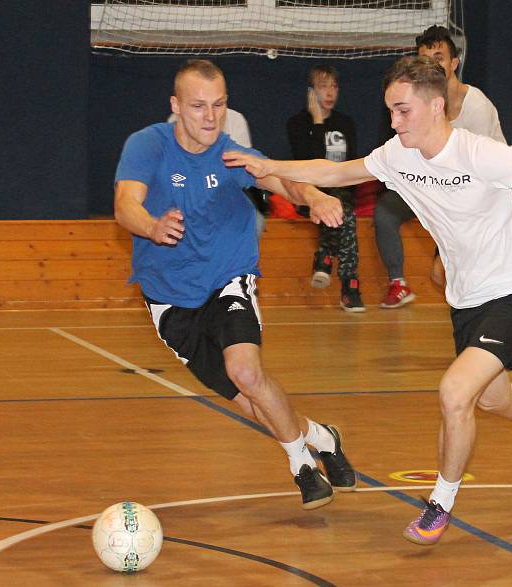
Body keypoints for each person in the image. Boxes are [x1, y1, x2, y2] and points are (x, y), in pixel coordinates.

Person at [225, 56, 512, 546]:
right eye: (390, 112)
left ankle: (439, 503)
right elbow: (335, 172)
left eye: (402, 111)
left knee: (455, 393)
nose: (393, 122)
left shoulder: (482, 154)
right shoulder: (400, 155)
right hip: (465, 300)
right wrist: (272, 167)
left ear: (436, 106)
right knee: (492, 396)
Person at [115, 59, 357, 510]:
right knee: (246, 399)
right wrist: (150, 227)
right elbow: (126, 205)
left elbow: (281, 181)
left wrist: (315, 196)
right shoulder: (147, 146)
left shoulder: (230, 154)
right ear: (175, 106)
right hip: (170, 300)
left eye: (219, 105)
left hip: (228, 277)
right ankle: (322, 436)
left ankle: (300, 467)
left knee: (246, 371)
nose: (210, 117)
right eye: (198, 106)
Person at [377, 25, 512, 370]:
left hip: (494, 201)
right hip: (456, 201)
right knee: (444, 274)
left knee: (477, 276)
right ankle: (489, 343)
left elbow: (486, 173)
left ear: (454, 63)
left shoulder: (476, 107)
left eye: (439, 57)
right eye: (425, 58)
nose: (433, 64)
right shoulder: (422, 111)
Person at [287, 65, 364, 312]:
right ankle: (350, 288)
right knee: (338, 207)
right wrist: (318, 122)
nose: (330, 92)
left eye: (334, 86)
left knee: (343, 208)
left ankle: (325, 258)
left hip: (341, 191)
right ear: (311, 92)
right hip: (310, 191)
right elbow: (311, 164)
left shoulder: (346, 123)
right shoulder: (297, 123)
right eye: (322, 86)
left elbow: (351, 167)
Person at [169, 107, 268, 238]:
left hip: (228, 194)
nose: (210, 116)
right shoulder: (177, 118)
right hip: (188, 193)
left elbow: (242, 169)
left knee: (255, 221)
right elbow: (175, 168)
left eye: (217, 103)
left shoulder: (235, 119)